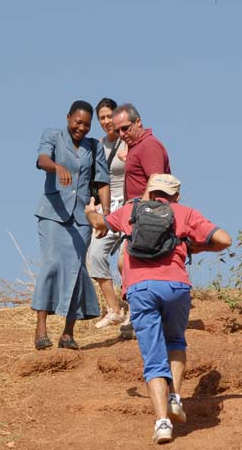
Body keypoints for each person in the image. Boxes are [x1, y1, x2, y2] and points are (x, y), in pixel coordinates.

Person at [85, 173, 232, 444]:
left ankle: (162, 423)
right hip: (176, 287)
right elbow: (224, 240)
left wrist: (91, 212)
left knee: (154, 359)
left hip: (140, 288)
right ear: (176, 195)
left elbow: (98, 224)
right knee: (175, 341)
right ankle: (175, 397)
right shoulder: (185, 213)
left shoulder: (131, 210)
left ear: (149, 193)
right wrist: (195, 249)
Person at [31, 100, 110, 351]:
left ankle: (68, 333)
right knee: (52, 264)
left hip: (82, 218)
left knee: (76, 270)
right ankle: (41, 328)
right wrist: (56, 167)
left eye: (87, 125)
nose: (82, 128)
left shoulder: (94, 146)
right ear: (68, 118)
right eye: (78, 123)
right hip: (53, 212)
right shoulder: (52, 135)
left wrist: (105, 215)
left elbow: (102, 180)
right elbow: (41, 159)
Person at [111, 103, 172, 339]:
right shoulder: (137, 146)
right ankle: (140, 318)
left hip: (149, 215)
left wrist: (142, 213)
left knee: (128, 263)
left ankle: (139, 319)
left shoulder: (149, 146)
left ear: (138, 122)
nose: (122, 134)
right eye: (118, 131)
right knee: (133, 265)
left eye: (125, 128)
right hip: (139, 213)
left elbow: (156, 182)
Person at [87, 98, 128, 329]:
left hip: (130, 204)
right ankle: (115, 309)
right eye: (101, 117)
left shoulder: (129, 141)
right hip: (107, 208)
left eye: (109, 116)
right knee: (94, 255)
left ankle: (135, 308)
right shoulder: (98, 145)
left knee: (126, 260)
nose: (105, 121)